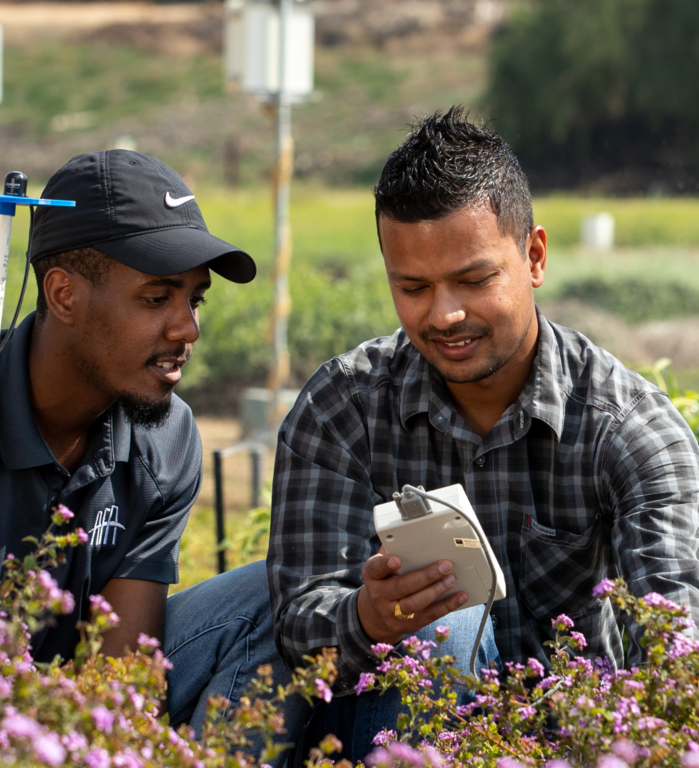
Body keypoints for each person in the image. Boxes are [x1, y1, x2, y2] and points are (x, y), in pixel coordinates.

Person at [268, 107, 699, 761]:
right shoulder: (340, 410)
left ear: (534, 257)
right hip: (399, 733)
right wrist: (368, 618)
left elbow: (676, 637)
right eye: (413, 287)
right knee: (441, 616)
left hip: (577, 739)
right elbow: (297, 618)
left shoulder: (630, 428)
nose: (444, 314)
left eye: (474, 280)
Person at [0, 149, 287, 741]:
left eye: (194, 300)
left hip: (65, 707)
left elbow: (122, 674)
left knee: (278, 598)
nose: (187, 329)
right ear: (64, 295)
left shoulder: (166, 438)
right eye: (157, 298)